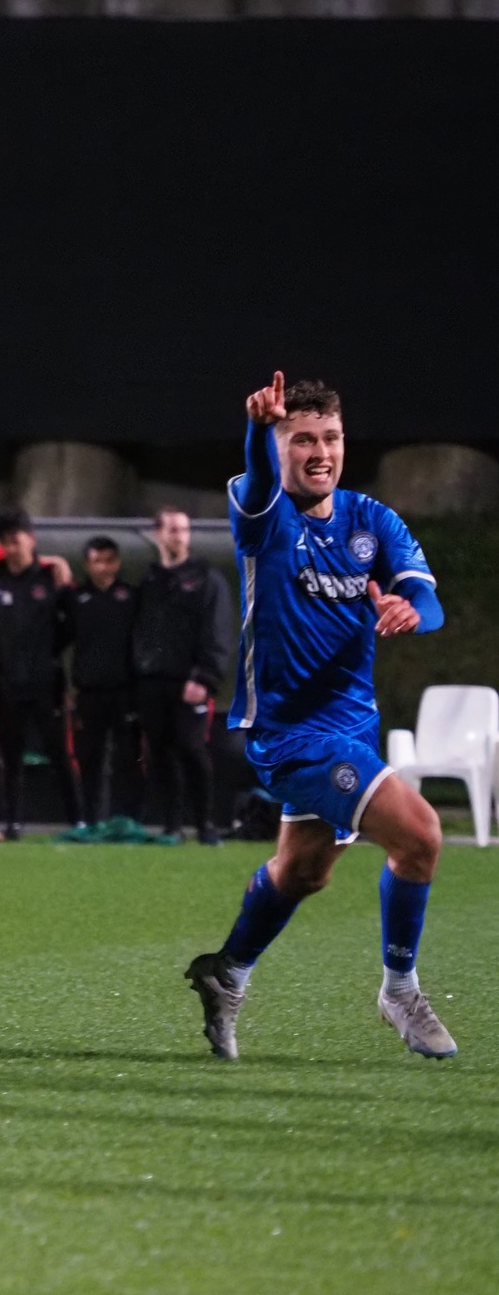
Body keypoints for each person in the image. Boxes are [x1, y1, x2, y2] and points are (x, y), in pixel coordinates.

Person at [187, 372, 453, 1063]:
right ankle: (399, 987)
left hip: (352, 729)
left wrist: (406, 610)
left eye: (330, 437)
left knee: (304, 870)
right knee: (421, 834)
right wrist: (255, 429)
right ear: (278, 450)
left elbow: (429, 602)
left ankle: (229, 973)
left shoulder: (373, 520)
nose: (319, 451)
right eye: (300, 438)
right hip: (288, 733)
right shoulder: (263, 513)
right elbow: (254, 479)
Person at [132, 505, 230, 845]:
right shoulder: (149, 580)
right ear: (158, 534)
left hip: (190, 682)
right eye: (172, 529)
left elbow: (217, 630)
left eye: (183, 530)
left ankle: (206, 824)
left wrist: (205, 677)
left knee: (192, 749)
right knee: (160, 753)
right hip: (153, 682)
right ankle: (172, 825)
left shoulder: (206, 577)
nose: (179, 536)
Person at [0, 510, 79, 840]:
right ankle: (12, 823)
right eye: (7, 542)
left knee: (59, 754)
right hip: (7, 683)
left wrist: (50, 652)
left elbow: (72, 625)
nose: (13, 547)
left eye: (18, 540)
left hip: (46, 683)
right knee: (10, 757)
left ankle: (78, 821)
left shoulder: (50, 577)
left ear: (31, 539)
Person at [59, 535, 141, 830]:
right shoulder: (76, 599)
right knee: (89, 759)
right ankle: (90, 820)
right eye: (97, 561)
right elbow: (60, 639)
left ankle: (127, 820)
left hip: (125, 692)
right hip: (87, 693)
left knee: (127, 760)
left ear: (117, 563)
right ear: (87, 564)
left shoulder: (131, 597)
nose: (103, 567)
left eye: (108, 561)